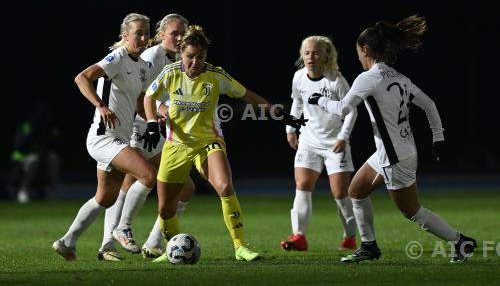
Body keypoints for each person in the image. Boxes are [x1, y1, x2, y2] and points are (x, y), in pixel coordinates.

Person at [308, 15, 477, 263]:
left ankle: (461, 242)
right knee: (356, 190)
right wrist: (438, 137)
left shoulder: (368, 78)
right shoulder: (398, 77)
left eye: (358, 52)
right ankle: (369, 247)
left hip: (395, 156)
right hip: (392, 151)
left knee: (411, 211)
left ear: (365, 49)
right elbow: (429, 104)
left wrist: (318, 100)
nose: (358, 57)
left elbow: (343, 108)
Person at [142, 25, 307, 262]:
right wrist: (150, 122)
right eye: (190, 57)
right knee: (166, 209)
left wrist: (276, 111)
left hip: (209, 142)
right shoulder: (170, 73)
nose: (195, 62)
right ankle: (173, 250)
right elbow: (150, 96)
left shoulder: (216, 75)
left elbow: (246, 94)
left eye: (201, 57)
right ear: (181, 54)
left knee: (225, 187)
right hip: (176, 145)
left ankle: (240, 247)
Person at [52, 13, 157, 261]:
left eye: (146, 32)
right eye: (138, 33)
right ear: (125, 36)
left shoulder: (143, 66)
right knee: (148, 174)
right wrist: (100, 105)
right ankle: (122, 228)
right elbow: (82, 78)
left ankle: (67, 242)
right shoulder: (117, 57)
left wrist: (155, 120)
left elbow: (140, 103)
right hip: (104, 138)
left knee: (106, 197)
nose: (143, 38)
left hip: (118, 138)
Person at [98, 14, 197, 261]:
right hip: (140, 129)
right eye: (174, 33)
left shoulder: (181, 60)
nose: (179, 38)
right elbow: (144, 97)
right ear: (161, 34)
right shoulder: (152, 57)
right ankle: (116, 236)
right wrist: (159, 116)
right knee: (132, 182)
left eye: (183, 34)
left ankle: (149, 242)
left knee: (182, 187)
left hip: (154, 129)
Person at [280, 36, 358, 252]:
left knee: (340, 194)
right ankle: (299, 237)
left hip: (335, 143)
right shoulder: (298, 77)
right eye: (306, 53)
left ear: (326, 55)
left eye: (315, 53)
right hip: (309, 141)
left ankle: (350, 236)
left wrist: (343, 136)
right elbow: (297, 102)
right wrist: (290, 128)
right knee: (302, 186)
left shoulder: (336, 81)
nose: (310, 57)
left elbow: (352, 111)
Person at [7, 101, 61, 203]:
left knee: (54, 158)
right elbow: (18, 145)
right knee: (33, 160)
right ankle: (24, 190)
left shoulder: (47, 126)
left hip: (41, 157)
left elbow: (55, 143)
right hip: (21, 158)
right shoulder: (26, 126)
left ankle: (52, 190)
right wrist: (33, 135)